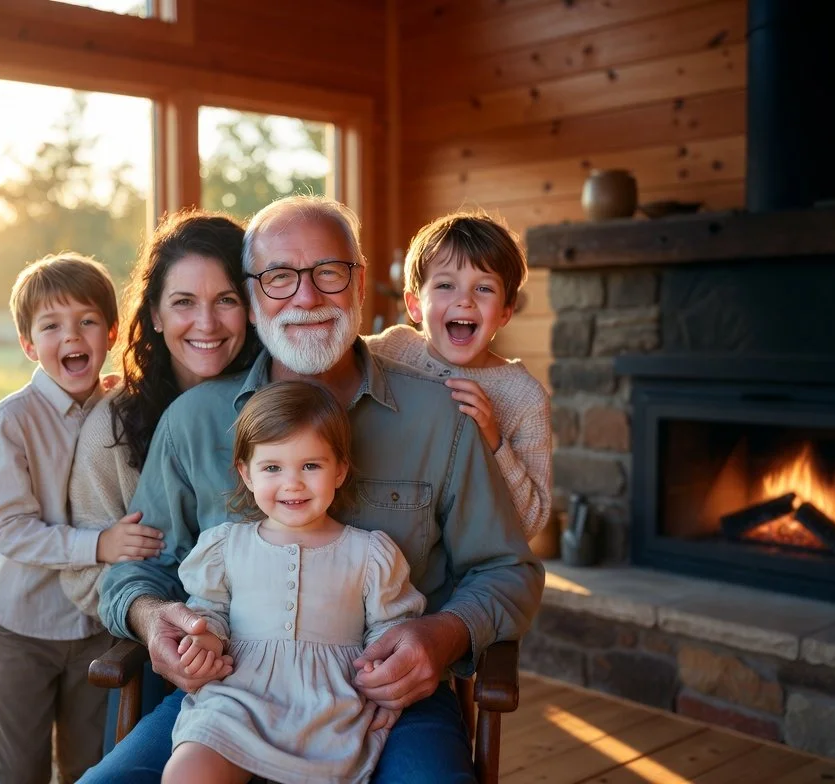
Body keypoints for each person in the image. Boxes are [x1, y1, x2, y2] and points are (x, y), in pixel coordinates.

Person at [81, 195, 545, 784]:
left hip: (394, 703)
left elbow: (509, 570)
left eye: (329, 272)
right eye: (279, 277)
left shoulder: (441, 417)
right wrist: (152, 618)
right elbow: (135, 572)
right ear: (252, 298)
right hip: (228, 697)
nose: (307, 297)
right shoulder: (194, 421)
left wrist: (443, 634)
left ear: (358, 284)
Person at [162, 380, 427, 784]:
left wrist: (384, 671)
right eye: (272, 467)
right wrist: (205, 641)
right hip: (236, 699)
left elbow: (389, 628)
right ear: (246, 473)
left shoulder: (369, 553)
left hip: (328, 708)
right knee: (188, 772)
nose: (292, 483)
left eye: (311, 466)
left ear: (339, 470)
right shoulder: (227, 546)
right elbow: (209, 611)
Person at [63, 209, 260, 619]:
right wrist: (169, 619)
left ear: (252, 309)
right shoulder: (111, 428)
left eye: (226, 300)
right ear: (155, 314)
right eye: (183, 302)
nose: (206, 324)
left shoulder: (279, 406)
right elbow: (83, 578)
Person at [0, 251, 123, 784]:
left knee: (89, 766)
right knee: (19, 769)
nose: (72, 336)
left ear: (110, 333)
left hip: (92, 627)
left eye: (87, 320)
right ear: (27, 344)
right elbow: (9, 529)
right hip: (24, 627)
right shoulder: (11, 421)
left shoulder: (120, 409)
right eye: (51, 325)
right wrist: (98, 545)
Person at [367, 211, 552, 538]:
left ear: (506, 311)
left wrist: (494, 441)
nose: (464, 300)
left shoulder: (525, 398)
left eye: (483, 288)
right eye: (445, 285)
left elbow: (530, 522)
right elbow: (335, 361)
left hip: (464, 554)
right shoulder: (391, 351)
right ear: (414, 306)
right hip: (380, 534)